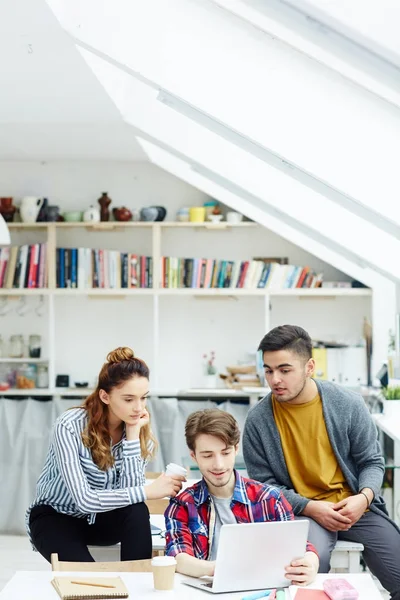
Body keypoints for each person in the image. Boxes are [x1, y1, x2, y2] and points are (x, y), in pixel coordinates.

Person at [243, 324, 400, 599]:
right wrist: (311, 507)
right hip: (302, 514)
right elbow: (263, 488)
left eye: (285, 369)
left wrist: (363, 498)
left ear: (309, 366)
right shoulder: (258, 421)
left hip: (356, 508)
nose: (275, 379)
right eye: (268, 370)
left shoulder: (348, 404)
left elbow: (372, 462)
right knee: (307, 581)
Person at [26, 347, 185, 563]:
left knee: (136, 510)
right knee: (93, 585)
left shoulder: (138, 430)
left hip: (103, 521)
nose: (138, 408)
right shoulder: (70, 425)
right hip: (56, 518)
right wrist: (148, 491)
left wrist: (131, 437)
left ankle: (139, 581)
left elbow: (129, 498)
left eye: (143, 398)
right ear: (105, 396)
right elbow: (83, 500)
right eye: (129, 399)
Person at [164, 409, 319, 585]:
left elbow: (302, 547)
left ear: (236, 449)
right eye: (207, 455)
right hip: (204, 590)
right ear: (194, 456)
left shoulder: (270, 499)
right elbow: (178, 556)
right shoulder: (183, 504)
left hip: (263, 590)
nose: (218, 464)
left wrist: (310, 565)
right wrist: (222, 569)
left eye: (225, 452)